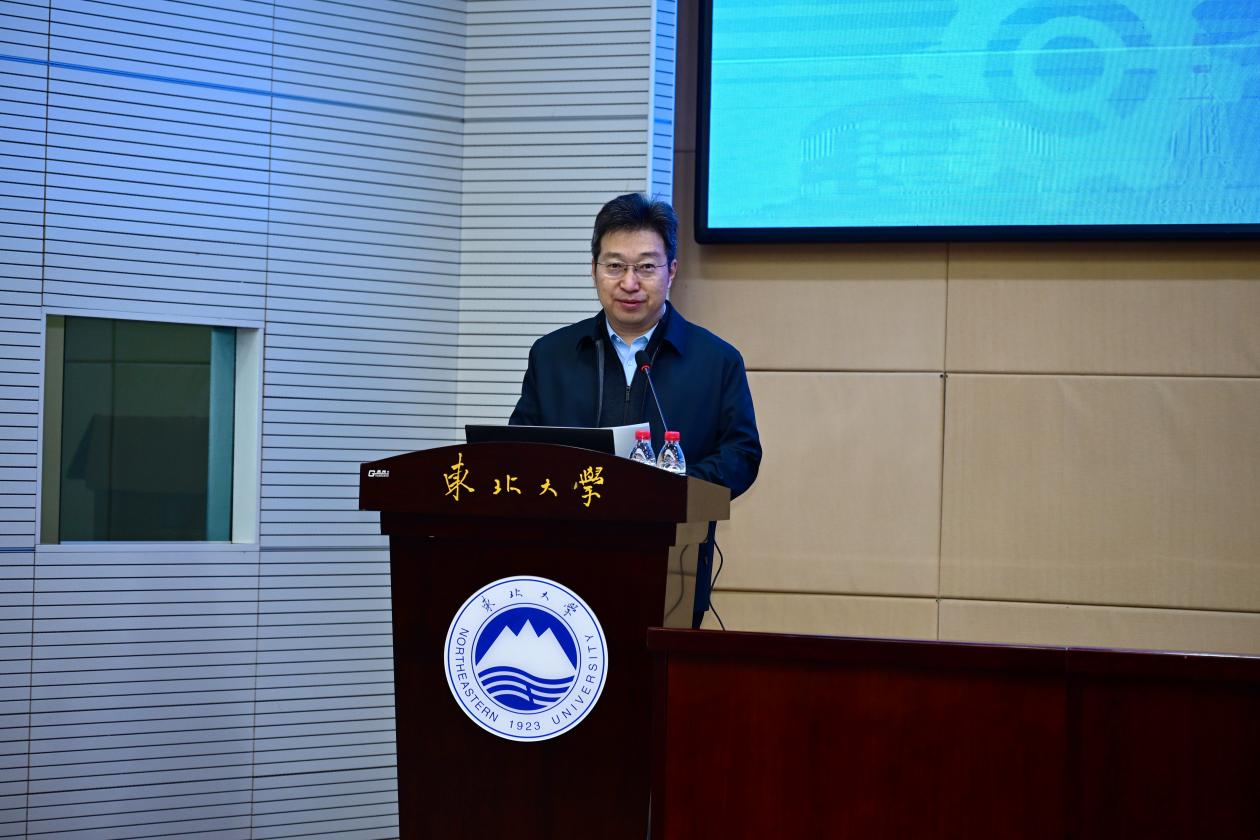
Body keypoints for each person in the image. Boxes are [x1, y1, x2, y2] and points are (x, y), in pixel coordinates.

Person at [509, 192, 761, 498]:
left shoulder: (716, 361)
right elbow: (517, 450)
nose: (629, 283)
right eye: (615, 266)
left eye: (646, 267)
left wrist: (672, 489)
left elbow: (741, 455)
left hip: (671, 526)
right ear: (594, 269)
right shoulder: (551, 355)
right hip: (568, 524)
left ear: (671, 271)